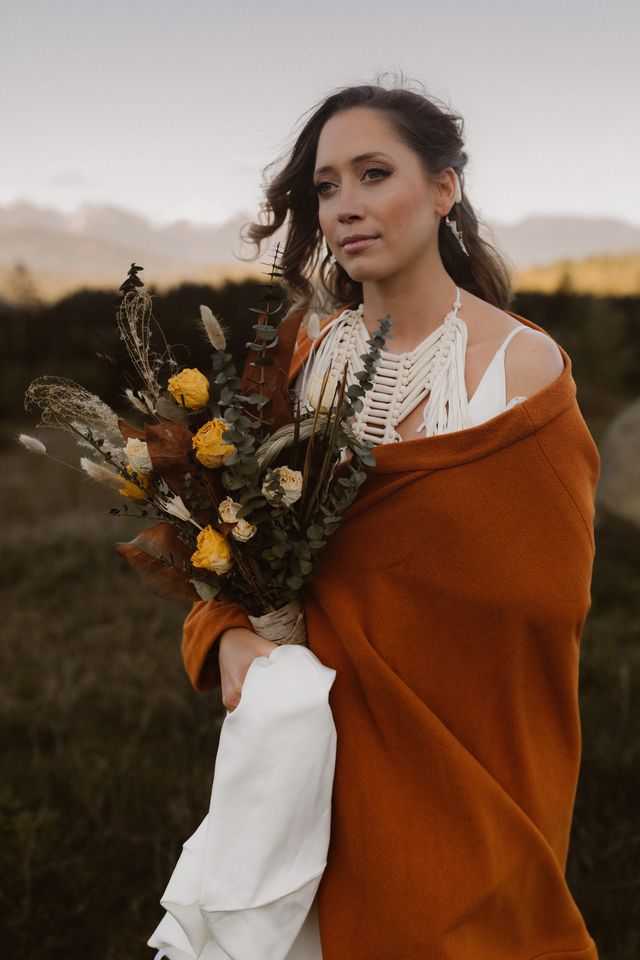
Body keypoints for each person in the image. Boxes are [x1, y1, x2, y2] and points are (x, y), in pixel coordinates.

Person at [180, 74, 601, 959]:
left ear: (444, 187)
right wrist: (225, 636)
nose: (344, 207)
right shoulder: (299, 356)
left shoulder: (522, 374)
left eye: (374, 174)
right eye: (325, 187)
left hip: (460, 775)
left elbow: (541, 618)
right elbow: (220, 544)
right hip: (298, 767)